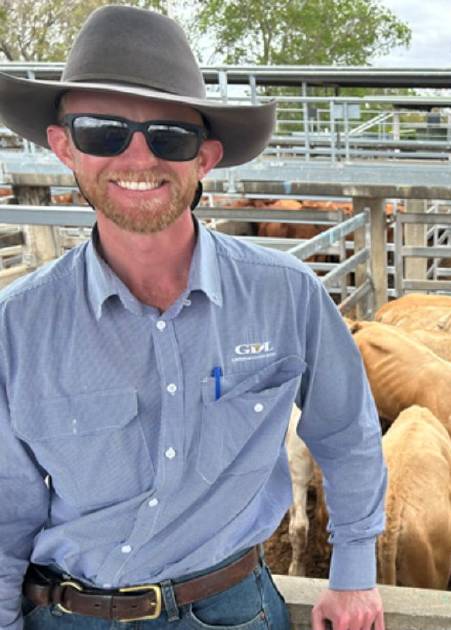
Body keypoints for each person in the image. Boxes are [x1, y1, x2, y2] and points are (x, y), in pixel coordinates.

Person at [0, 6, 388, 630]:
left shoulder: (286, 294)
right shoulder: (16, 328)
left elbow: (347, 434)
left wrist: (354, 573)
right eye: (102, 131)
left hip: (231, 607)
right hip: (70, 613)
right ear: (63, 146)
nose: (137, 157)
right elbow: (6, 508)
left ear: (203, 158)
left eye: (169, 138)